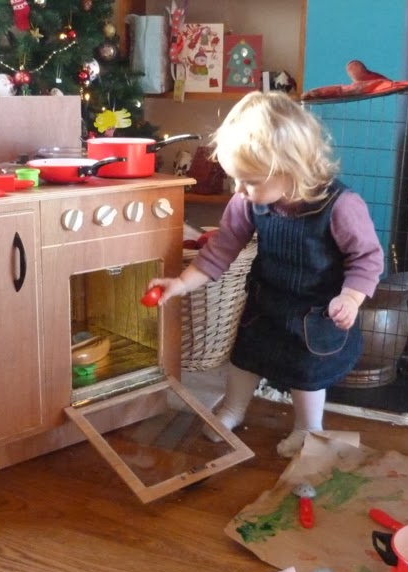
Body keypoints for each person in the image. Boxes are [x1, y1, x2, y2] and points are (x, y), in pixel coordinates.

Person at [146, 91, 384, 457]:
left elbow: (367, 258)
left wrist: (351, 297)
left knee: (307, 372)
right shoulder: (247, 202)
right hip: (267, 302)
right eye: (236, 180)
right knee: (246, 356)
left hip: (317, 312)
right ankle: (233, 408)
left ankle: (308, 429)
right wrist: (181, 283)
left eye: (250, 181)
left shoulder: (341, 206)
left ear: (292, 168)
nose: (239, 190)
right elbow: (222, 248)